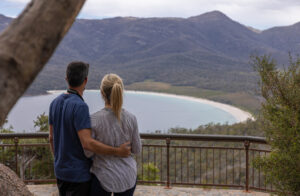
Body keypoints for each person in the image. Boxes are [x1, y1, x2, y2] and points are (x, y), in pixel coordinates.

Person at [48, 62, 131, 196]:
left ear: (66, 78)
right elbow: (87, 143)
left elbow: (51, 138)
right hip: (79, 175)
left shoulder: (54, 103)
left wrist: (58, 161)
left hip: (61, 172)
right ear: (85, 80)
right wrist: (117, 151)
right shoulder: (80, 106)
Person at [87, 73, 142, 196]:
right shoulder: (131, 118)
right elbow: (137, 150)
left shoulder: (94, 119)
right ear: (121, 91)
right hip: (128, 176)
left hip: (103, 176)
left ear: (102, 93)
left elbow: (88, 152)